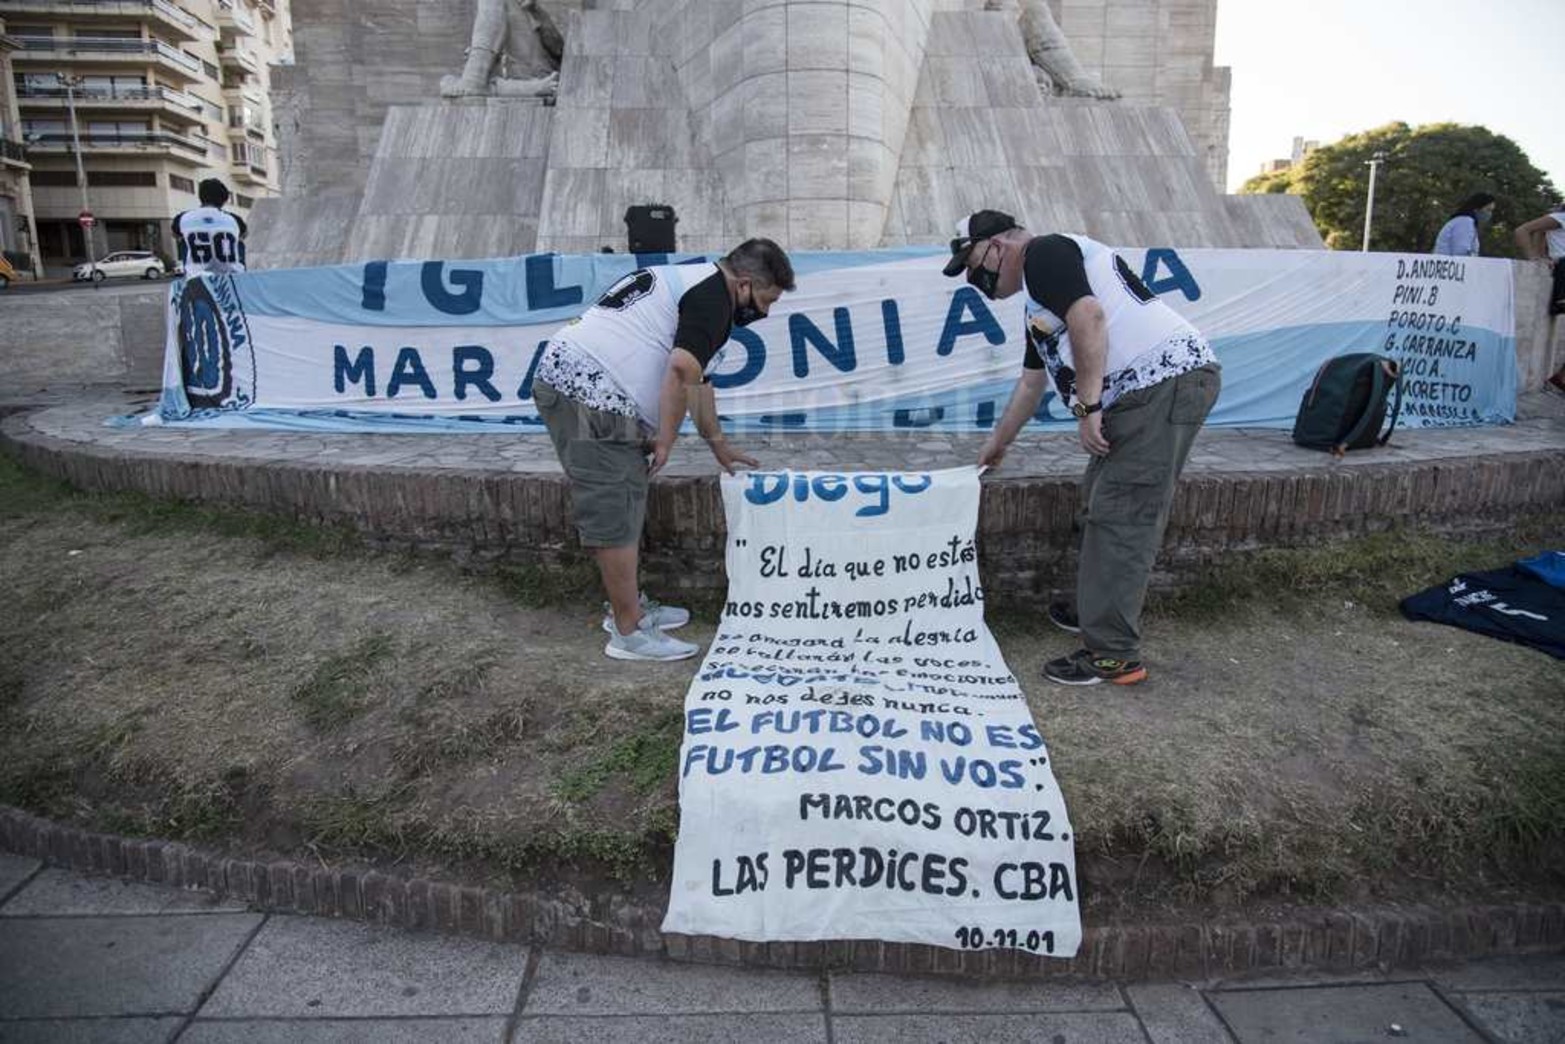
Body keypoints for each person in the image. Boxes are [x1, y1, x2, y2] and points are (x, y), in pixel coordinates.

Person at [944, 210, 1221, 686]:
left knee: (1122, 515)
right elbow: (1031, 384)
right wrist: (997, 443)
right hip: (1144, 393)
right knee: (1100, 501)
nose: (976, 281)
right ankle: (1096, 608)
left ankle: (1113, 655)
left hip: (1160, 384)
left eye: (974, 267)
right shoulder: (1038, 301)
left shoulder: (1043, 253)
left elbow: (1089, 316)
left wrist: (1088, 406)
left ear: (997, 247)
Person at [533, 239, 796, 662]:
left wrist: (718, 445)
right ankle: (629, 631)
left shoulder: (702, 286)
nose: (765, 312)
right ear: (745, 284)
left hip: (589, 388)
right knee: (614, 504)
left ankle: (630, 608)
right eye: (768, 300)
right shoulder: (712, 298)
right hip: (589, 394)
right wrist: (665, 440)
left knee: (625, 498)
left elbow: (698, 382)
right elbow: (680, 370)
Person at [172, 178, 247, 277]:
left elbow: (174, 234)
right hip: (231, 277)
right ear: (223, 200)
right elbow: (245, 234)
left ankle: (192, 271)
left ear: (201, 197)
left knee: (184, 240)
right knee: (238, 241)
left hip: (198, 279)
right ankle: (239, 271)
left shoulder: (183, 218)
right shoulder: (234, 219)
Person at [1513, 202, 1565, 318]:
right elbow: (1522, 230)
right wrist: (1534, 256)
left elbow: (1541, 232)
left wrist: (1542, 255)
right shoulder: (1559, 217)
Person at [1431, 193, 1496, 257]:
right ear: (1476, 209)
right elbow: (1461, 252)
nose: (1490, 214)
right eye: (1488, 210)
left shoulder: (1465, 221)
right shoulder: (1465, 222)